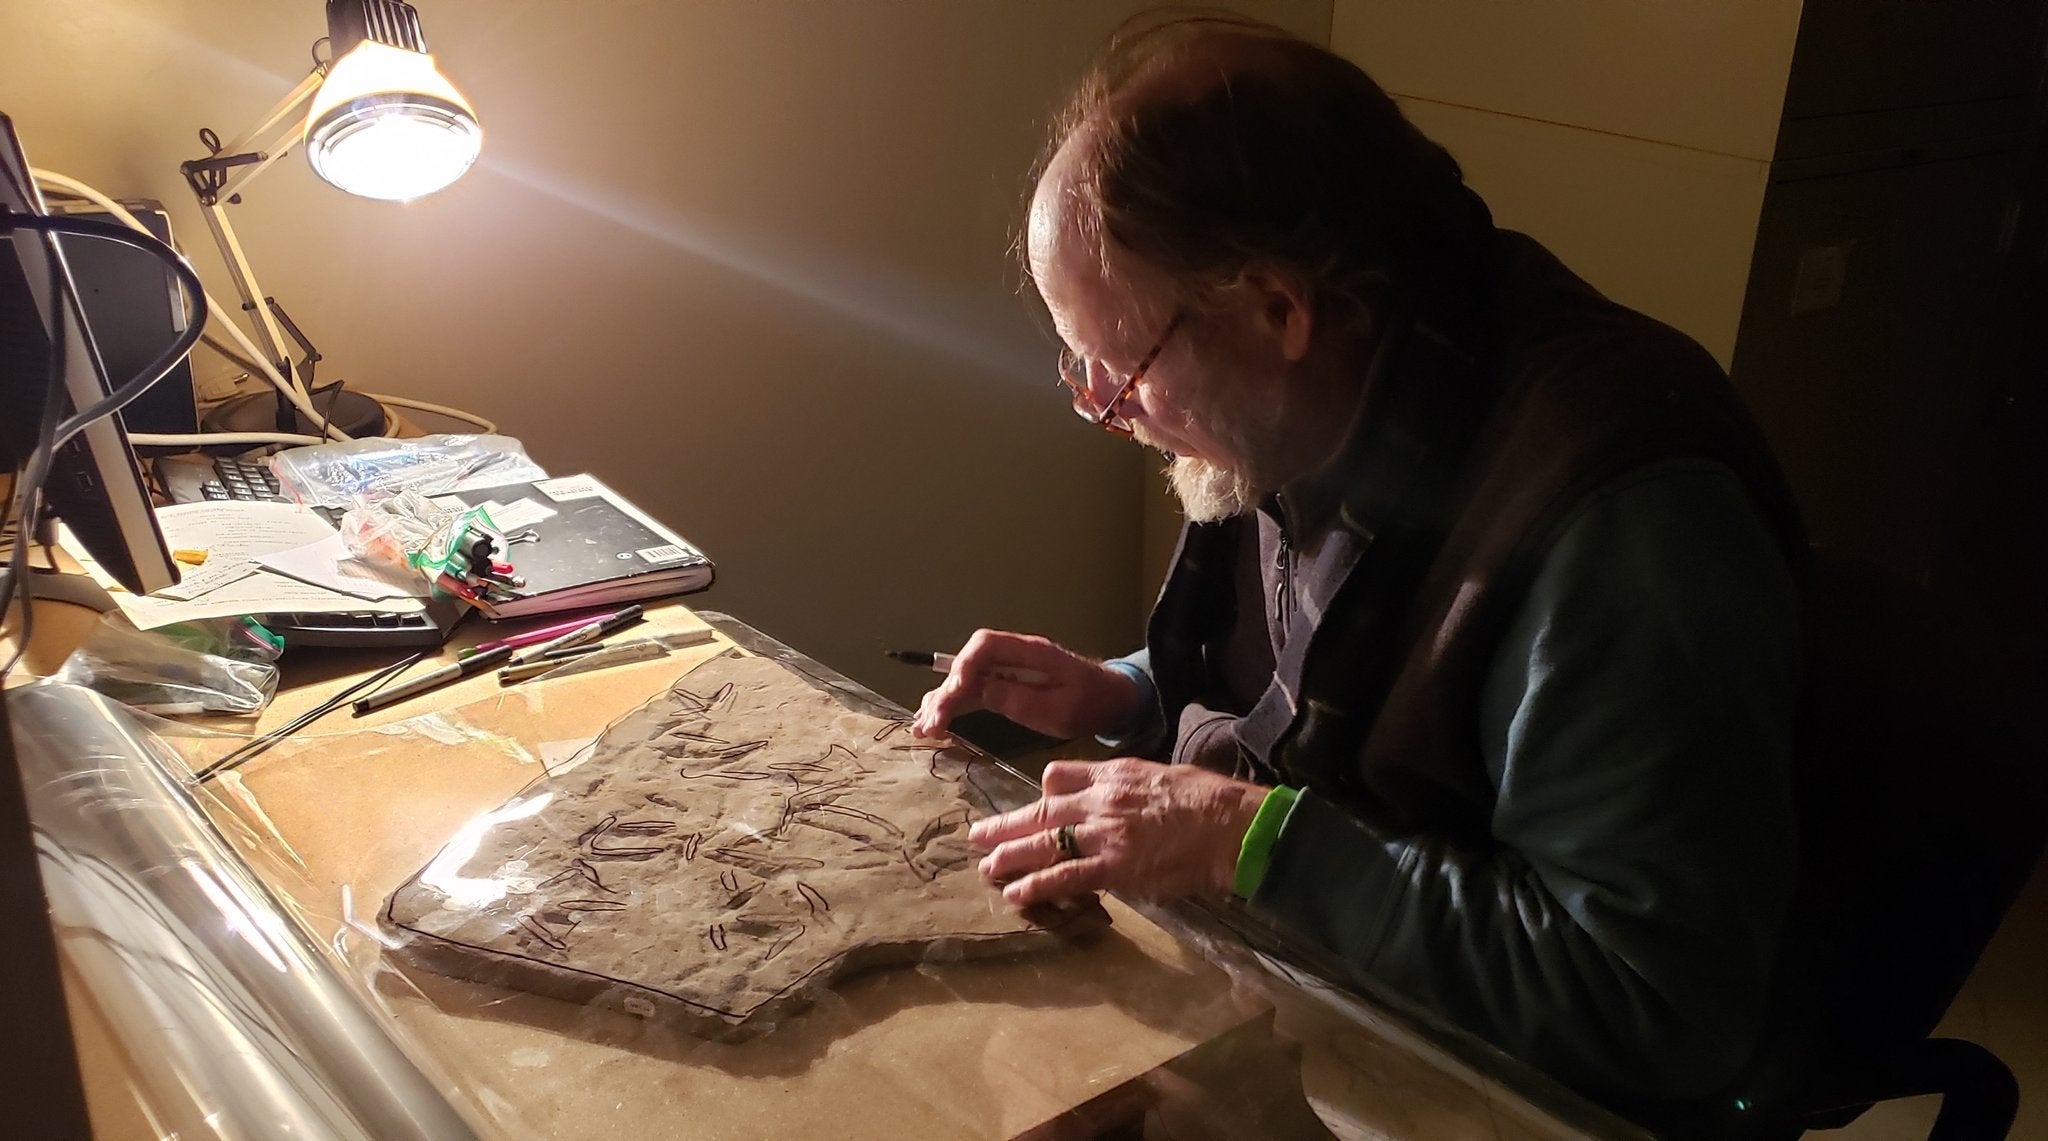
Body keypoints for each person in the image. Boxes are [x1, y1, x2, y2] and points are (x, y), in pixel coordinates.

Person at [909, 14, 1808, 1116]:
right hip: (1323, 1001)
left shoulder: (1619, 529)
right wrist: (1127, 692)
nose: (1105, 410)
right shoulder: (1334, 375)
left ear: (1277, 307)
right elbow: (1316, 654)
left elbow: (1645, 1009)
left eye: (1121, 365)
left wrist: (1247, 839)